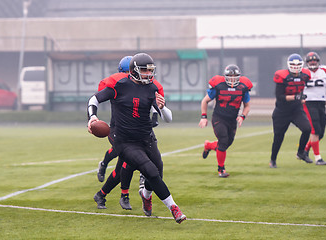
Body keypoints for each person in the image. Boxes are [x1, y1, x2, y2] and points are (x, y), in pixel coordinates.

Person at [87, 53, 186, 224]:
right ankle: (174, 208)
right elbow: (94, 99)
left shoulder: (152, 88)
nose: (149, 74)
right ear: (134, 71)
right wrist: (92, 117)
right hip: (125, 141)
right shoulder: (119, 85)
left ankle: (146, 196)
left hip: (146, 137)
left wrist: (162, 107)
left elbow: (168, 118)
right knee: (151, 171)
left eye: (151, 71)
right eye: (145, 71)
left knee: (157, 170)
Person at [199, 64, 253, 177]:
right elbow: (205, 101)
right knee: (223, 141)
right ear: (225, 76)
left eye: (235, 76)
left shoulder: (243, 87)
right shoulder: (219, 85)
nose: (232, 79)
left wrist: (242, 116)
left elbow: (247, 106)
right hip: (219, 117)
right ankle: (221, 170)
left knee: (226, 144)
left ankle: (209, 145)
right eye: (230, 76)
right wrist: (204, 117)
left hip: (232, 119)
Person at [269, 53, 313, 168]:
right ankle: (273, 160)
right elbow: (279, 97)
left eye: (298, 64)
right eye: (293, 64)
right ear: (288, 65)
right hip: (282, 111)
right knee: (279, 137)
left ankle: (301, 152)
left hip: (296, 110)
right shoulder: (282, 76)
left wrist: (301, 98)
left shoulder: (305, 75)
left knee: (307, 129)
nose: (295, 66)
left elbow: (301, 89)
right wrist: (296, 97)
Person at [303, 52, 326, 165]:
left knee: (321, 133)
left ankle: (304, 150)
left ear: (318, 61)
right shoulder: (303, 72)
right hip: (308, 103)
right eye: (310, 61)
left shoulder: (325, 70)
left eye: (314, 60)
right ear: (307, 62)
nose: (312, 62)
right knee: (315, 130)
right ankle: (318, 158)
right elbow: (297, 87)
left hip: (321, 103)